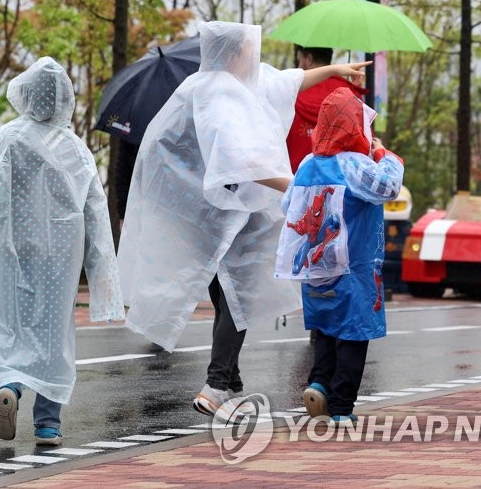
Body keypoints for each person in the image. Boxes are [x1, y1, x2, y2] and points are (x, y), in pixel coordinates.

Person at [117, 21, 369, 417]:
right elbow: (241, 161)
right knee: (239, 294)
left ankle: (230, 382)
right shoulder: (220, 95)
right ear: (236, 53)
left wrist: (335, 70)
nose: (257, 56)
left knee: (228, 294)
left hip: (210, 215)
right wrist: (299, 186)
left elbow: (287, 80)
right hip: (225, 215)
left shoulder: (217, 85)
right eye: (251, 49)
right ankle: (217, 385)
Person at [0, 58, 124, 446]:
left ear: (26, 96)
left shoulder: (6, 140)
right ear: (64, 99)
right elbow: (95, 215)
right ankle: (48, 424)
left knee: (9, 325)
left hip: (11, 252)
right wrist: (102, 277)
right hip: (60, 258)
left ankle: (9, 386)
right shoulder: (76, 151)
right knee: (54, 336)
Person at [275, 87, 404, 424]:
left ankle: (319, 383)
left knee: (325, 328)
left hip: (315, 263)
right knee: (353, 332)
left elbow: (287, 205)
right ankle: (342, 408)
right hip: (354, 267)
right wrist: (384, 155)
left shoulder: (307, 164)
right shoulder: (354, 165)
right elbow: (389, 187)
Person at [286, 46, 364, 173]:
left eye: (300, 60)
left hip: (296, 181)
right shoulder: (351, 95)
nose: (299, 65)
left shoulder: (292, 93)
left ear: (309, 59)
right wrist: (354, 91)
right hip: (339, 185)